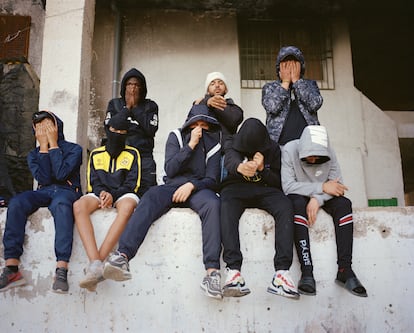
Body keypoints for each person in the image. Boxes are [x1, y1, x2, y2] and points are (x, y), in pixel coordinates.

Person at [102, 104, 223, 299]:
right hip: (172, 186)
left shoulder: (214, 143)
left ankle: (212, 273)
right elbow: (171, 168)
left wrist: (192, 185)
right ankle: (122, 256)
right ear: (188, 125)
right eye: (195, 124)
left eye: (204, 125)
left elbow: (213, 179)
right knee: (150, 196)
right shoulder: (175, 136)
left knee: (213, 204)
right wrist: (190, 145)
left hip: (199, 188)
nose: (199, 129)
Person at [0, 110, 82, 294]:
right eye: (39, 128)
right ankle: (12, 267)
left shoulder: (74, 149)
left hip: (67, 192)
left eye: (47, 126)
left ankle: (61, 268)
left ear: (56, 127)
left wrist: (53, 144)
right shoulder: (34, 154)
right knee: (17, 202)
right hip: (44, 191)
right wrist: (44, 148)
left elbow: (61, 174)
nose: (43, 130)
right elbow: (44, 178)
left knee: (61, 206)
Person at [281, 125, 367, 297]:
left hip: (322, 195)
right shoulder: (289, 149)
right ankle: (307, 273)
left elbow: (338, 187)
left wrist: (317, 199)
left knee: (344, 204)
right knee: (295, 204)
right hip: (299, 194)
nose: (312, 160)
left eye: (317, 157)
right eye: (309, 156)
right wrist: (322, 186)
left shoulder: (330, 152)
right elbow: (288, 187)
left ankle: (345, 269)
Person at [220, 118, 299, 299]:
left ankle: (282, 273)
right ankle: (233, 271)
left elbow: (280, 182)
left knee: (285, 205)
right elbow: (230, 161)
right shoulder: (232, 142)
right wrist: (241, 167)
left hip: (265, 189)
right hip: (236, 189)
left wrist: (263, 169)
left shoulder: (273, 149)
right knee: (224, 205)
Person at [74, 113, 141, 292]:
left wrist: (113, 194)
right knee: (78, 206)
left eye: (121, 131)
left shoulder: (133, 154)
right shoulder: (95, 154)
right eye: (113, 130)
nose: (117, 134)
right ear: (107, 130)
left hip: (123, 193)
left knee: (127, 207)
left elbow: (132, 184)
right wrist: (103, 193)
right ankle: (96, 264)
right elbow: (92, 182)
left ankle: (97, 265)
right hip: (100, 193)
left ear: (126, 133)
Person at [104, 68, 158, 197]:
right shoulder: (115, 104)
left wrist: (136, 110)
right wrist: (127, 108)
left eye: (137, 85)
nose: (133, 88)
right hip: (120, 155)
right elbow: (110, 128)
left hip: (143, 156)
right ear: (124, 87)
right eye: (129, 84)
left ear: (142, 88)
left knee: (147, 194)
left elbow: (150, 130)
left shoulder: (150, 106)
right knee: (120, 194)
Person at [262, 46, 323, 145]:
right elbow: (272, 107)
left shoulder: (309, 85)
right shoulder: (270, 87)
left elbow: (314, 104)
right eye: (286, 63)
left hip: (309, 146)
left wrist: (297, 82)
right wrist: (285, 82)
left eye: (294, 63)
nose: (290, 67)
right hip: (280, 145)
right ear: (279, 67)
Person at [194, 71, 243, 140]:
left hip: (226, 147)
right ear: (207, 90)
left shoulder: (234, 109)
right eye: (212, 84)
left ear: (225, 89)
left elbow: (234, 121)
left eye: (221, 83)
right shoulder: (199, 104)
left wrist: (213, 105)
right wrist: (206, 102)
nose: (217, 85)